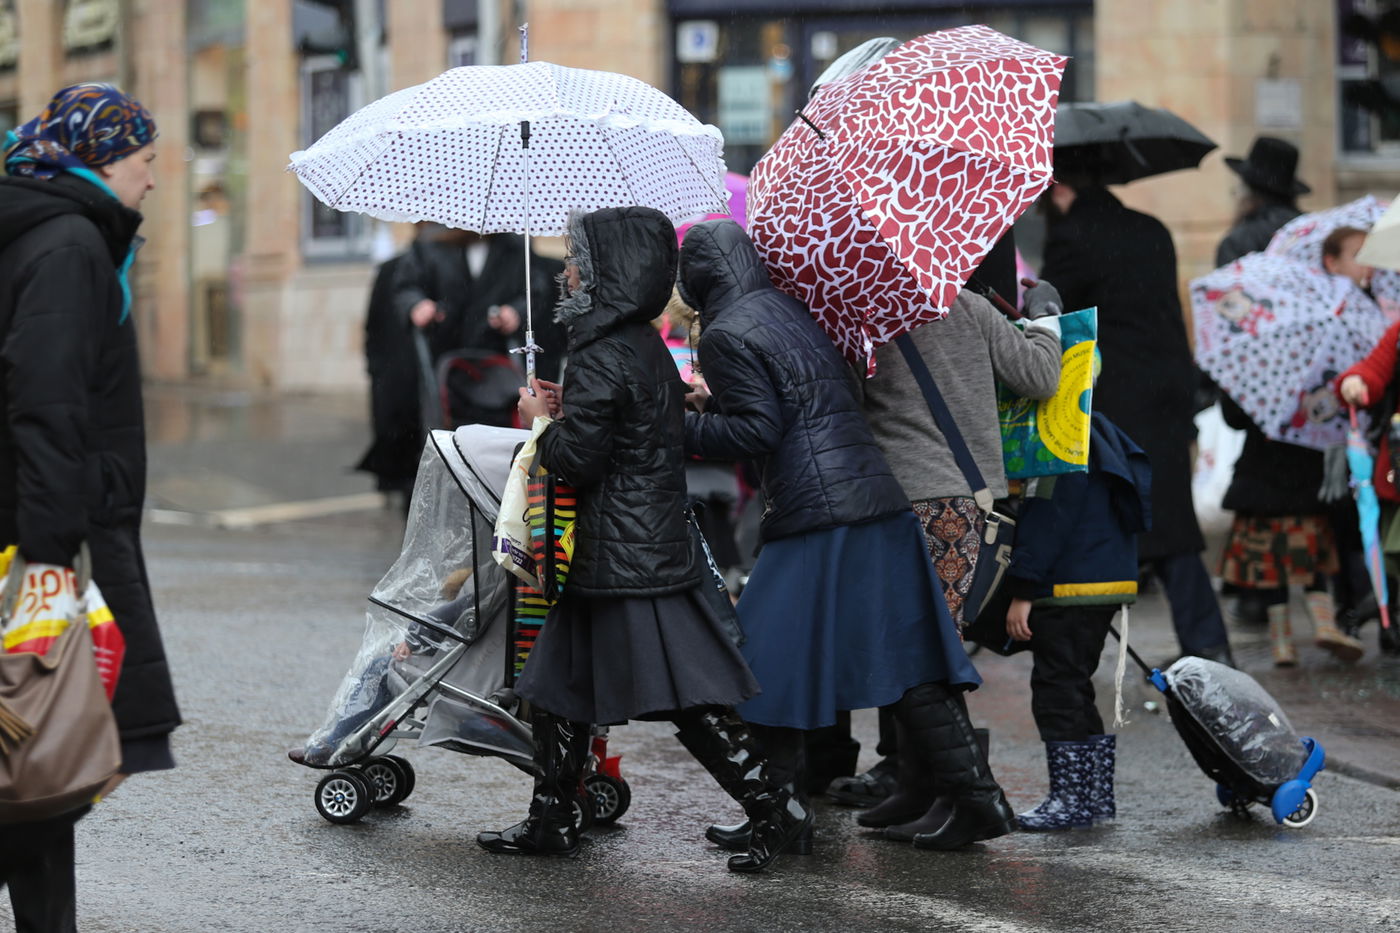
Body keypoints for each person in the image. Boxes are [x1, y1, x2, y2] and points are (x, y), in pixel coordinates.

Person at [477, 206, 809, 874]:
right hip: (643, 544)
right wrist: (568, 407)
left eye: (579, 261)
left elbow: (581, 460)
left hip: (619, 553)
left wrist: (541, 422)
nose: (567, 272)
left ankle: (778, 810)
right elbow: (628, 435)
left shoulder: (600, 351)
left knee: (687, 697)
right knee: (557, 686)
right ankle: (554, 814)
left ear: (608, 274)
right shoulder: (641, 344)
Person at [679, 219, 1015, 854]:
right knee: (908, 659)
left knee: (763, 664)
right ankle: (979, 797)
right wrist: (711, 408)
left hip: (817, 512)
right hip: (872, 497)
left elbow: (758, 431)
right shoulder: (788, 308)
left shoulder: (726, 331)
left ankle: (777, 812)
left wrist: (682, 429)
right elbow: (800, 405)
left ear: (696, 280)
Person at [0, 83, 181, 931]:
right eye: (146, 161)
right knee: (39, 751)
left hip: (29, 529)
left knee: (31, 763)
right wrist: (49, 555)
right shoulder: (70, 245)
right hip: (34, 542)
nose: (154, 180)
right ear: (104, 160)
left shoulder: (46, 228)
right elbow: (46, 404)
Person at [848, 276, 1063, 840]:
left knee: (916, 653)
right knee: (922, 651)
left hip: (894, 500)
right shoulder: (966, 305)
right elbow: (1041, 377)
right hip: (962, 504)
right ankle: (931, 790)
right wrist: (1045, 317)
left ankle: (963, 797)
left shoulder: (857, 315)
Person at [1039, 175, 1235, 666]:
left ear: (1059, 186)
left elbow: (1054, 315)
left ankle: (1075, 651)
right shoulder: (1152, 228)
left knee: (1099, 526)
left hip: (1113, 404)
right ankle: (1208, 646)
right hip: (1166, 394)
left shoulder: (1073, 236)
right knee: (1173, 528)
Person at [1004, 411, 1151, 830]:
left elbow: (1048, 515)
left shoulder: (1059, 434)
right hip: (1102, 578)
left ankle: (1069, 800)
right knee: (1075, 684)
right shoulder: (1098, 427)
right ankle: (1092, 796)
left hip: (1070, 582)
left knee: (1057, 687)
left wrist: (1023, 590)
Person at [1216, 136, 1310, 267]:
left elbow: (1227, 285)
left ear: (1249, 191)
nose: (1235, 193)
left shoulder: (1237, 242)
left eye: (1240, 187)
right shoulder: (1311, 232)